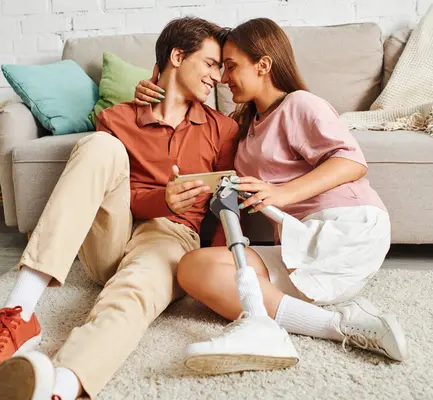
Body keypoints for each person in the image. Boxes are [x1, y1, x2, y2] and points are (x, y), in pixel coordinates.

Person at [0, 17, 298, 400]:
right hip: (110, 236)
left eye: (222, 68)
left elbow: (225, 204)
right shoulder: (117, 118)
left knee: (132, 293)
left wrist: (210, 270)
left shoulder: (222, 130)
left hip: (169, 239)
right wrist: (159, 197)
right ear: (176, 56)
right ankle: (19, 312)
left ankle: (62, 386)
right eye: (210, 64)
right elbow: (105, 190)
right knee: (99, 147)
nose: (218, 77)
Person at [135, 17, 408, 374]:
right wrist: (153, 88)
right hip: (303, 246)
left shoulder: (300, 105)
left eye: (231, 66)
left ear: (263, 65)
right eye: (219, 67)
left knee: (211, 270)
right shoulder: (247, 125)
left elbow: (352, 161)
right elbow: (196, 123)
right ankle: (337, 325)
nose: (222, 77)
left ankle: (272, 323)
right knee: (194, 269)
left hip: (344, 230)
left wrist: (281, 193)